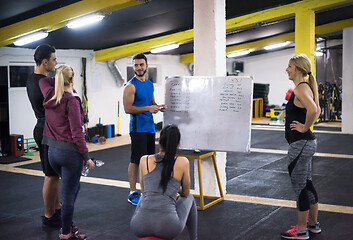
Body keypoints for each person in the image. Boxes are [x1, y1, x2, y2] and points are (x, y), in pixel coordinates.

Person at [39, 65, 95, 240]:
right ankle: (65, 234)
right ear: (72, 80)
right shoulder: (72, 101)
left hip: (52, 153)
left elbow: (43, 80)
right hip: (69, 155)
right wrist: (87, 158)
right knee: (69, 194)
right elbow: (77, 133)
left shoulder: (50, 96)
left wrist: (59, 77)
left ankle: (67, 224)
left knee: (72, 188)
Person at [130, 125, 198, 239]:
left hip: (139, 226)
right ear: (177, 143)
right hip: (168, 227)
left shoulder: (144, 160)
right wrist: (173, 188)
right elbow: (185, 193)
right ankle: (194, 239)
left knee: (143, 197)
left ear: (160, 141)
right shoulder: (182, 162)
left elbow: (144, 191)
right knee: (190, 197)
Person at [281, 54, 321, 240]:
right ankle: (313, 225)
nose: (287, 69)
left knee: (300, 188)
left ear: (297, 68)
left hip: (301, 144)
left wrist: (305, 127)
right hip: (306, 143)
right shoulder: (305, 87)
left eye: (289, 66)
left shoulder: (300, 89)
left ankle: (301, 230)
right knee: (307, 184)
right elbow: (317, 109)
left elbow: (313, 110)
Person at [123, 53, 167, 205]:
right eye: (136, 65)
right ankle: (132, 192)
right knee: (136, 160)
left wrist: (159, 107)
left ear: (146, 66)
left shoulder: (149, 84)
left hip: (149, 127)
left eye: (141, 64)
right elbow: (127, 109)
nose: (139, 67)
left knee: (149, 160)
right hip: (137, 128)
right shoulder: (130, 86)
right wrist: (148, 108)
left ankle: (146, 190)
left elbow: (151, 103)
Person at [26, 44, 61, 227]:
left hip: (44, 129)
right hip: (46, 130)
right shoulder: (43, 82)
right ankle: (49, 216)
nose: (56, 63)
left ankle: (57, 207)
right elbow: (57, 105)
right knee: (51, 175)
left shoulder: (32, 79)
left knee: (54, 174)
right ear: (45, 61)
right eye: (54, 60)